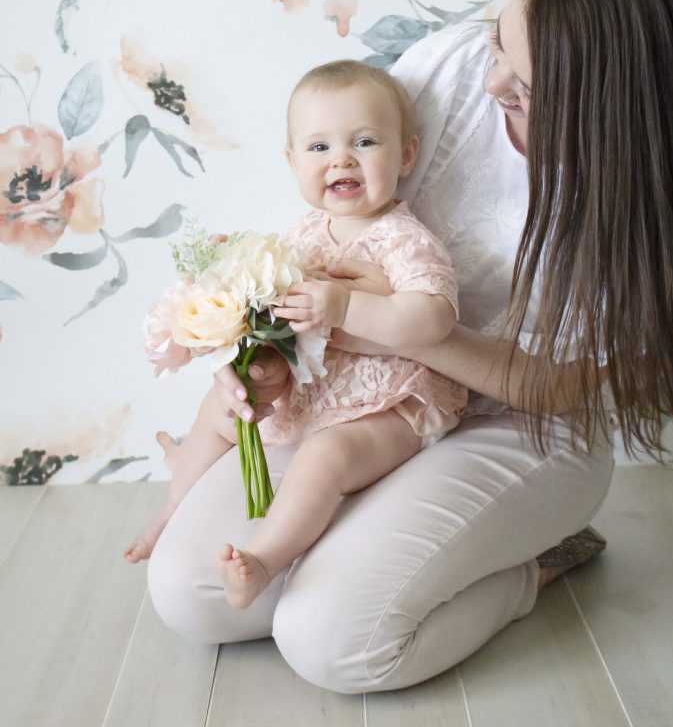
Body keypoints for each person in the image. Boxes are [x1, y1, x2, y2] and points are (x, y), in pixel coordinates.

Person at [146, 0, 673, 693]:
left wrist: (389, 321)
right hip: (360, 401)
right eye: (499, 41)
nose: (494, 80)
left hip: (519, 421)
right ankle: (383, 546)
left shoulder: (637, 196)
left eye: (526, 85)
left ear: (604, 109)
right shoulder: (457, 70)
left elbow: (559, 386)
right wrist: (267, 352)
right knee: (192, 598)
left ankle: (532, 562)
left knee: (329, 641)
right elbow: (334, 210)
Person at [125, 60, 469, 600]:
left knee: (324, 457)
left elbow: (434, 318)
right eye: (318, 148)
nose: (341, 159)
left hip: (389, 405)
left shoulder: (402, 238)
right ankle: (173, 507)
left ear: (406, 155)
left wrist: (346, 305)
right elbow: (277, 301)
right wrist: (234, 277)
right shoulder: (304, 232)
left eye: (364, 141)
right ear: (292, 161)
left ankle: (264, 558)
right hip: (313, 396)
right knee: (221, 408)